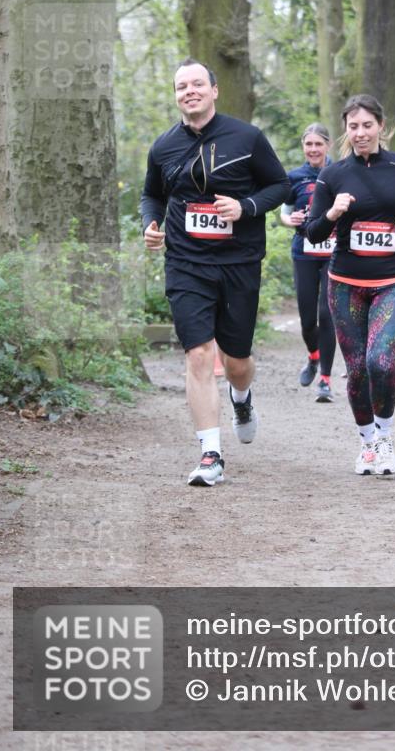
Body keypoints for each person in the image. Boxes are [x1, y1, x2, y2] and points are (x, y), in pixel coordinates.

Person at [141, 58, 291, 486]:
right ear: (176, 96)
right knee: (198, 353)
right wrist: (150, 224)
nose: (189, 91)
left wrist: (245, 207)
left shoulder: (247, 138)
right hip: (186, 263)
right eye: (181, 86)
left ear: (214, 90)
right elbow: (152, 195)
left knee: (237, 360)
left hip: (239, 262)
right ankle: (211, 453)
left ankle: (241, 398)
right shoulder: (163, 146)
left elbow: (280, 186)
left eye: (196, 84)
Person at [305, 94, 395, 476]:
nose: (361, 133)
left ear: (381, 126)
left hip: (394, 281)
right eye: (353, 126)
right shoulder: (332, 175)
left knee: (379, 361)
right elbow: (313, 232)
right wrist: (333, 212)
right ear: (345, 130)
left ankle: (385, 438)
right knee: (357, 370)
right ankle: (367, 444)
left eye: (367, 125)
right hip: (345, 284)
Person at [280, 123, 337, 402]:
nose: (313, 149)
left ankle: (325, 379)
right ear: (303, 146)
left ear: (328, 146)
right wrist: (289, 219)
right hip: (304, 252)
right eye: (309, 144)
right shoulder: (294, 177)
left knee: (327, 314)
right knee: (306, 319)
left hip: (334, 254)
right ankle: (313, 356)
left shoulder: (341, 172)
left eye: (318, 144)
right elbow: (285, 211)